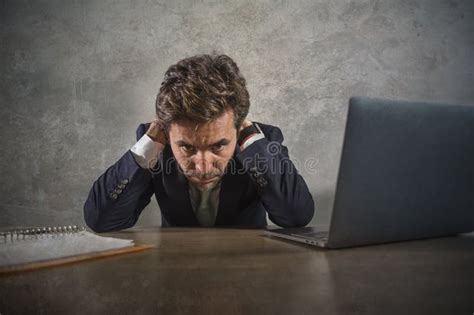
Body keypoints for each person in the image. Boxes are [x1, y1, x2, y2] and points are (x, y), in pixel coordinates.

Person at [83, 53, 315, 232]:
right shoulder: (157, 146)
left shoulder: (261, 142)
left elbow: (296, 216)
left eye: (218, 146)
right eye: (187, 147)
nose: (203, 167)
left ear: (238, 127)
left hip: (247, 269)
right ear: (166, 132)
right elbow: (100, 220)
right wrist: (148, 146)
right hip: (176, 269)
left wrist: (253, 143)